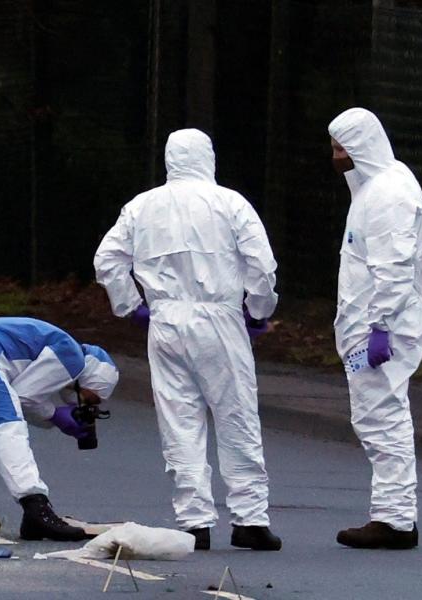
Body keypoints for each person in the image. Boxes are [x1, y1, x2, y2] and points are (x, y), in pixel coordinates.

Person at [93, 128, 282, 551]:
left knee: (180, 419)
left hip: (165, 320)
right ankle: (249, 518)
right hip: (218, 317)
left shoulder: (142, 206)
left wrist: (131, 305)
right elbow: (262, 265)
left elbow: (107, 259)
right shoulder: (230, 203)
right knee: (235, 415)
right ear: (209, 158)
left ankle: (193, 522)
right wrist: (258, 309)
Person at [327, 108, 422, 550]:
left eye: (340, 148)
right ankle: (393, 515)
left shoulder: (387, 195)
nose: (335, 157)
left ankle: (394, 520)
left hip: (383, 327)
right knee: (379, 416)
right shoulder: (378, 188)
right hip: (376, 324)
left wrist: (380, 327)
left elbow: (393, 267)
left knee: (382, 418)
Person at [0, 317, 119, 541]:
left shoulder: (58, 342)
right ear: (90, 378)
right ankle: (36, 509)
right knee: (7, 425)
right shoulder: (72, 355)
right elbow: (25, 397)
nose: (84, 406)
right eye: (90, 398)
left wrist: (53, 416)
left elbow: (22, 394)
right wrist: (54, 415)